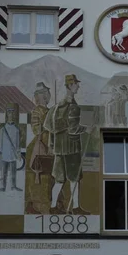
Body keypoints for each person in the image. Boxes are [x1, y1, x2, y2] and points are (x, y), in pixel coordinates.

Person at [44, 74, 91, 215]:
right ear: (70, 85)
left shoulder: (56, 107)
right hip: (71, 148)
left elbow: (50, 128)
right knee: (74, 180)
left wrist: (52, 145)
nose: (78, 86)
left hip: (59, 149)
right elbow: (73, 129)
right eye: (76, 84)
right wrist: (86, 129)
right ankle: (75, 208)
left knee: (59, 180)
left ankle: (52, 207)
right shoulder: (73, 106)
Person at [25, 82, 53, 214]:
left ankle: (49, 205)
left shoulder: (50, 110)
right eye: (41, 93)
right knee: (39, 177)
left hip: (51, 145)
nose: (44, 96)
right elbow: (36, 129)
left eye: (45, 93)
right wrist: (47, 126)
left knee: (49, 178)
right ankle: (37, 206)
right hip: (40, 144)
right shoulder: (37, 110)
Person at [0, 106, 22, 192]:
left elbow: (17, 143)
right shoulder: (3, 129)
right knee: (4, 172)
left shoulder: (16, 129)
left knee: (13, 172)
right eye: (9, 113)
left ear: (13, 115)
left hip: (13, 154)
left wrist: (18, 152)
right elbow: (1, 142)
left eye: (12, 114)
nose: (10, 115)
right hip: (5, 153)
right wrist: (0, 152)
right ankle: (3, 187)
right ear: (7, 115)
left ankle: (13, 186)